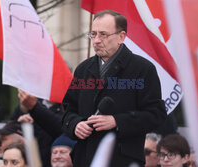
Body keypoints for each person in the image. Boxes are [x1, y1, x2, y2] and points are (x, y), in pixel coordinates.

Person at [62, 10, 167, 167]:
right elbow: (67, 110)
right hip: (84, 158)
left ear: (121, 36)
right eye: (93, 34)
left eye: (103, 35)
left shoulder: (142, 69)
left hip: (122, 159)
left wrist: (117, 121)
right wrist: (75, 124)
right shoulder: (83, 69)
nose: (96, 40)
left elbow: (155, 115)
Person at [10, 89, 64, 167]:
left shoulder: (68, 107)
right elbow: (9, 131)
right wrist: (19, 124)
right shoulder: (26, 105)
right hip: (30, 160)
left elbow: (61, 129)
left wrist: (35, 108)